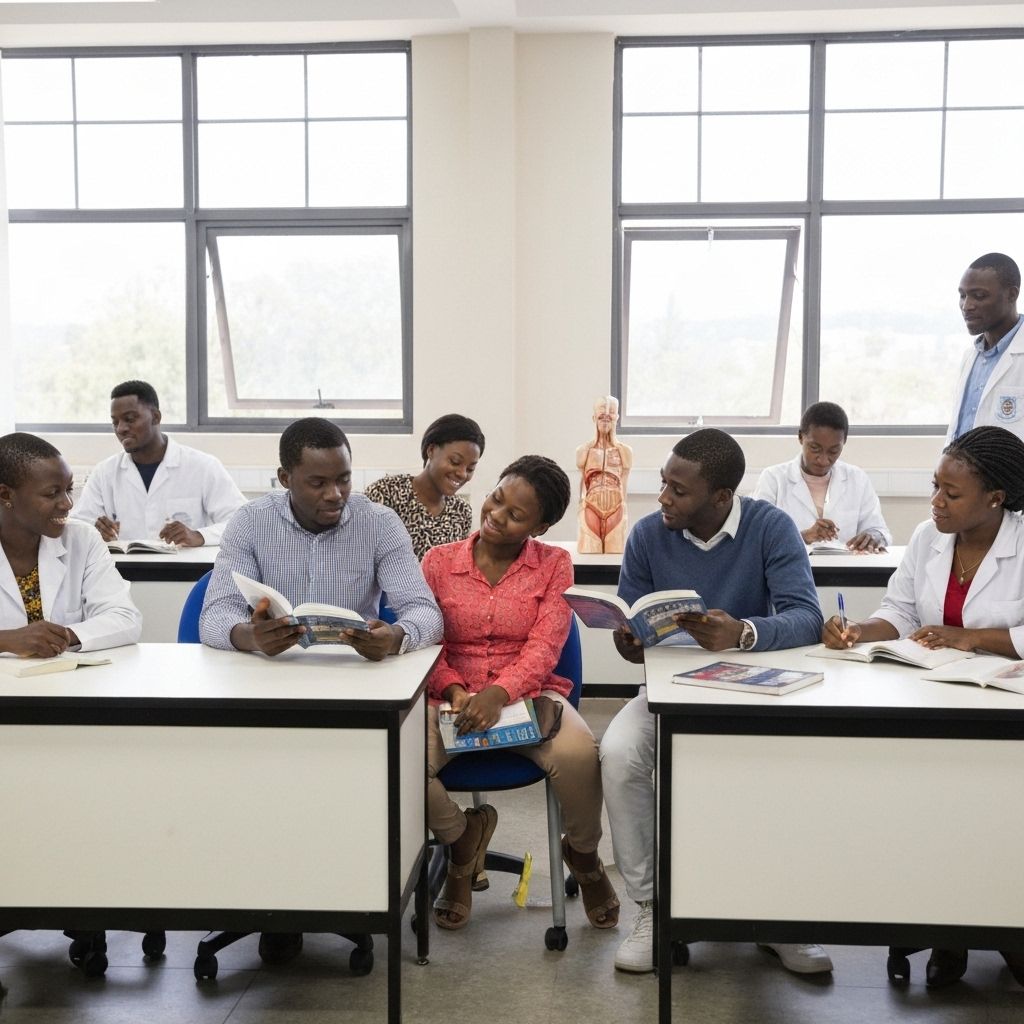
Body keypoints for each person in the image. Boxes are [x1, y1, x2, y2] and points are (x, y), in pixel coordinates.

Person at [199, 416, 443, 965]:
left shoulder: (378, 523)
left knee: (340, 793)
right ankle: (274, 898)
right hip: (266, 692)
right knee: (263, 792)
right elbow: (212, 616)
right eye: (318, 482)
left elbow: (425, 611)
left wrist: (395, 637)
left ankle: (342, 893)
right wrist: (249, 636)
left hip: (353, 692)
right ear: (284, 478)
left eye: (344, 479)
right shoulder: (250, 523)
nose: (335, 494)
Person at [599, 428, 828, 976]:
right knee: (619, 752)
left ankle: (779, 917)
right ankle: (652, 908)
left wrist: (743, 632)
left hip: (754, 690)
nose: (663, 498)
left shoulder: (770, 528)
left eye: (678, 490)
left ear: (721, 497)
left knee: (787, 768)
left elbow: (807, 617)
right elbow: (632, 623)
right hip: (668, 692)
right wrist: (629, 642)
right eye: (663, 483)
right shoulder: (648, 535)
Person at [821, 425, 1024, 990]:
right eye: (935, 486)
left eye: (951, 493)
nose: (936, 501)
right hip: (932, 699)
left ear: (996, 498)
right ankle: (946, 925)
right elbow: (902, 612)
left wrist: (973, 639)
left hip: (1005, 711)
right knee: (933, 808)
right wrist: (857, 631)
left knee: (991, 814)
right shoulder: (927, 537)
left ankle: (999, 916)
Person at [421, 455, 619, 932]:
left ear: (540, 527)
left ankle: (583, 856)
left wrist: (498, 692)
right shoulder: (438, 562)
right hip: (449, 698)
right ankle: (461, 841)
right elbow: (427, 640)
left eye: (515, 515)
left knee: (579, 755)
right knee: (396, 762)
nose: (495, 515)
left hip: (529, 695)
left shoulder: (554, 564)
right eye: (496, 499)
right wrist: (454, 688)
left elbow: (546, 645)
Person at [0, 432, 141, 656]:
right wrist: (6, 641)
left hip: (65, 675)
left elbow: (124, 618)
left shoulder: (82, 538)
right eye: (52, 494)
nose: (67, 504)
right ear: (6, 495)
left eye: (68, 489)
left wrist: (61, 636)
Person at [72, 380, 246, 547]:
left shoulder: (203, 466)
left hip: (185, 567)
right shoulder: (104, 473)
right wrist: (95, 532)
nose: (121, 428)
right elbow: (77, 526)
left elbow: (243, 522)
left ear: (155, 417)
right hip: (122, 567)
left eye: (130, 419)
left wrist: (198, 536)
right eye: (115, 422)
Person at [754, 401, 891, 551]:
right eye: (815, 448)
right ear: (800, 437)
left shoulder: (857, 479)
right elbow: (758, 536)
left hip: (846, 565)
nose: (823, 460)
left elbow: (879, 530)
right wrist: (804, 536)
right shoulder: (773, 479)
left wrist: (875, 536)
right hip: (791, 564)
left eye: (833, 451)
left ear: (844, 442)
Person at [364, 413, 485, 560]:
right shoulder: (385, 493)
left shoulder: (461, 512)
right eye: (455, 461)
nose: (462, 473)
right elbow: (359, 556)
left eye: (470, 469)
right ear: (431, 450)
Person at [947, 252, 1024, 444]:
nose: (966, 306)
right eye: (962, 296)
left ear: (1012, 295)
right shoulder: (970, 357)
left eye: (979, 296)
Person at [576, 395, 633, 554]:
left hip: (616, 506)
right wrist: (581, 505)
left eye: (610, 414)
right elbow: (582, 481)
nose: (606, 418)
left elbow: (624, 480)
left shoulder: (625, 451)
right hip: (590, 506)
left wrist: (623, 508)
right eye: (602, 415)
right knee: (589, 553)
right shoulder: (584, 450)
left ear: (617, 418)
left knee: (615, 555)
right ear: (594, 417)